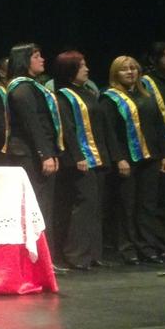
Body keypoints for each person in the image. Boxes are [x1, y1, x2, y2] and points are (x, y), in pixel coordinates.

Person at [100, 56, 165, 265]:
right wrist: (119, 159)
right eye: (124, 70)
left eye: (133, 68)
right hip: (127, 159)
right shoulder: (110, 98)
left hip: (150, 157)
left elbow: (159, 127)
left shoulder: (147, 96)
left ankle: (147, 247)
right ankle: (127, 248)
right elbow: (110, 134)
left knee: (147, 205)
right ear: (116, 74)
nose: (130, 72)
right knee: (127, 205)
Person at [53, 50, 111, 269]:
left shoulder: (86, 92)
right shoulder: (63, 96)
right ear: (70, 70)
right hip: (80, 158)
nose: (86, 69)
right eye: (81, 66)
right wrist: (78, 156)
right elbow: (67, 130)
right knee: (83, 204)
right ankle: (76, 254)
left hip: (97, 157)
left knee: (95, 205)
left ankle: (93, 254)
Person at [5, 43, 62, 263]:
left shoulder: (32, 87)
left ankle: (48, 258)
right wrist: (45, 154)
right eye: (36, 56)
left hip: (36, 152)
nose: (42, 60)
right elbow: (33, 125)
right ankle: (40, 260)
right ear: (24, 61)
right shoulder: (21, 89)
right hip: (29, 155)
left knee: (45, 206)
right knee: (39, 207)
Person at [143, 41, 165, 257]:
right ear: (155, 59)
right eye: (164, 55)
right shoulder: (148, 83)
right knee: (162, 198)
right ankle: (163, 243)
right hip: (163, 147)